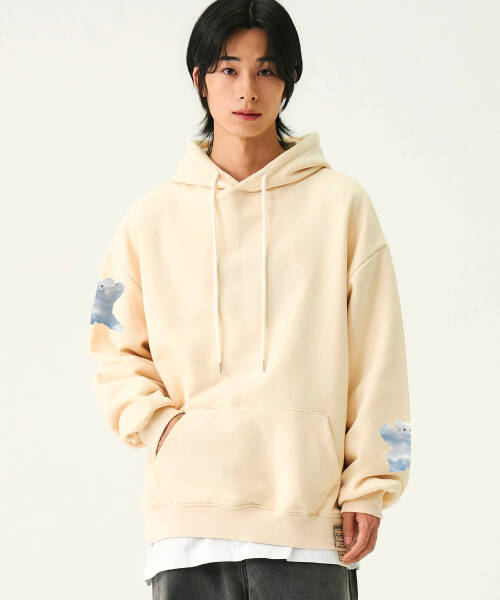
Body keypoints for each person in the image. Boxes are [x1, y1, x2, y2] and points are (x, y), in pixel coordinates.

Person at [88, 1, 411, 598]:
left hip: (309, 527)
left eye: (266, 70)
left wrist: (372, 484)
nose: (247, 90)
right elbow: (109, 346)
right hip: (186, 526)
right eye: (228, 68)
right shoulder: (148, 220)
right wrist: (162, 429)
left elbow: (381, 358)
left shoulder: (343, 206)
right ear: (199, 79)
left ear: (289, 81)